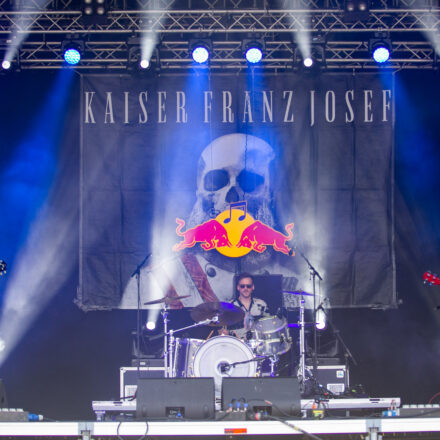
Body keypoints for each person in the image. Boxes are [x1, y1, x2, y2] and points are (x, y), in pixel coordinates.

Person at [219, 273, 269, 339]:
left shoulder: (262, 304)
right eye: (242, 286)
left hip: (258, 342)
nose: (245, 288)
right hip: (237, 343)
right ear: (238, 287)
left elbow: (268, 325)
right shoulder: (229, 306)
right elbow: (223, 329)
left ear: (253, 287)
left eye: (248, 286)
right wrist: (223, 332)